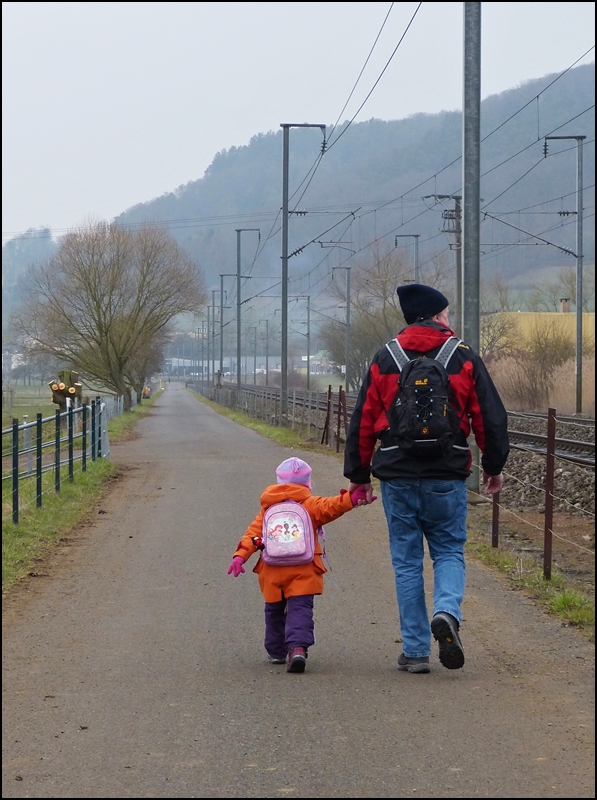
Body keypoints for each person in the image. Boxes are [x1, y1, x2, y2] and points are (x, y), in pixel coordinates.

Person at [343, 283, 509, 674]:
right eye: (447, 313)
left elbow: (364, 419)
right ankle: (447, 612)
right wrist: (493, 465)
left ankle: (416, 650)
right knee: (449, 550)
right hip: (446, 474)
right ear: (436, 316)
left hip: (397, 475)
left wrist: (359, 474)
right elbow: (489, 415)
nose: (449, 319)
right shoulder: (462, 355)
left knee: (406, 562)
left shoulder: (386, 357)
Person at [227, 456, 375, 673]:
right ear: (307, 483)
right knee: (300, 610)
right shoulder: (310, 504)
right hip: (304, 568)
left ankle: (276, 650)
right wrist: (351, 499)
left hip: (272, 569)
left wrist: (240, 556)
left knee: (274, 610)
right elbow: (331, 506)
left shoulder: (268, 508)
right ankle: (297, 649)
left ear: (279, 483)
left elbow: (253, 534)